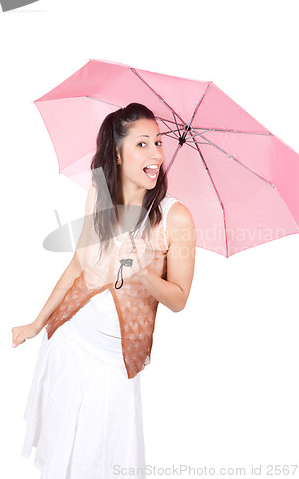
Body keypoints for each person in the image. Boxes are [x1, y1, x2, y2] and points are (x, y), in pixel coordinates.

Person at [12, 102, 196, 478]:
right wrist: (35, 324)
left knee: (101, 460)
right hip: (68, 341)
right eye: (143, 144)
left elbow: (178, 298)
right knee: (63, 454)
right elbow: (77, 267)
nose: (156, 154)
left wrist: (145, 274)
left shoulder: (175, 218)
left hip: (113, 362)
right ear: (117, 151)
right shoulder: (99, 196)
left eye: (158, 143)